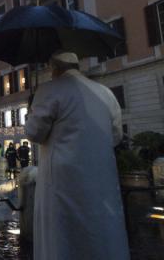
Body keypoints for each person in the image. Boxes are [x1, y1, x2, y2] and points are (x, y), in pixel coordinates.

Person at [25, 51, 129, 260]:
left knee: (63, 239)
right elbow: (115, 136)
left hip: (63, 183)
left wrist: (30, 113)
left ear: (54, 68)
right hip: (101, 180)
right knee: (102, 234)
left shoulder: (48, 90)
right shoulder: (106, 93)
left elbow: (34, 133)